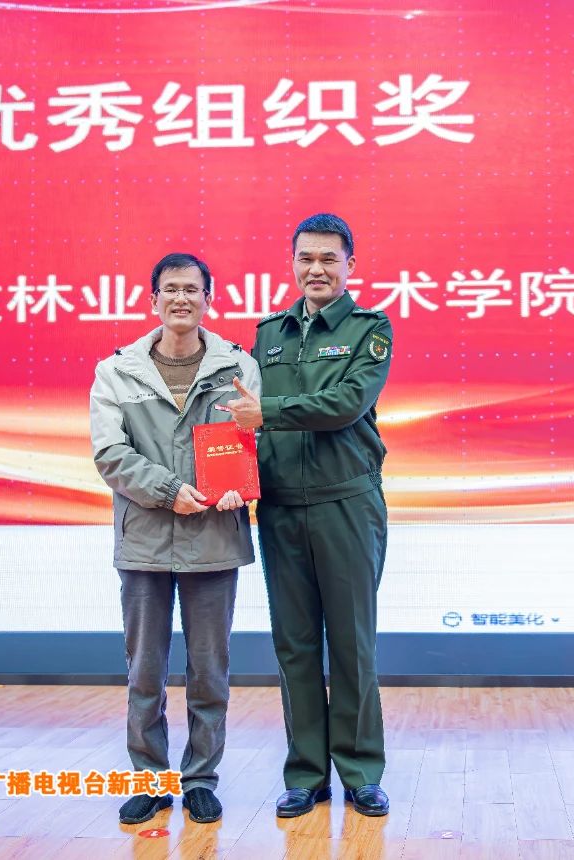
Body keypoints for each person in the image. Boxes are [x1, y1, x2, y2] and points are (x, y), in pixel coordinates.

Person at [225, 213, 393, 818]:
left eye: (328, 258)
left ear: (350, 265)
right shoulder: (268, 334)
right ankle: (305, 774)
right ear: (292, 263)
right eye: (305, 258)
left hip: (346, 503)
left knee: (351, 643)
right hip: (280, 508)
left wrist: (269, 414)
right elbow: (239, 413)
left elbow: (345, 404)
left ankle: (361, 771)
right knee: (294, 644)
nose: (316, 269)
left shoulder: (371, 329)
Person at [89, 252, 261, 826]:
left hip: (214, 536)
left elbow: (252, 440)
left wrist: (240, 486)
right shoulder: (117, 371)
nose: (181, 298)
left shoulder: (238, 365)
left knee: (210, 671)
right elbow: (110, 454)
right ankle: (151, 780)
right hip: (144, 540)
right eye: (170, 289)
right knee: (144, 670)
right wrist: (167, 491)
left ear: (209, 299)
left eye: (192, 289)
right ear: (153, 299)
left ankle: (201, 779)